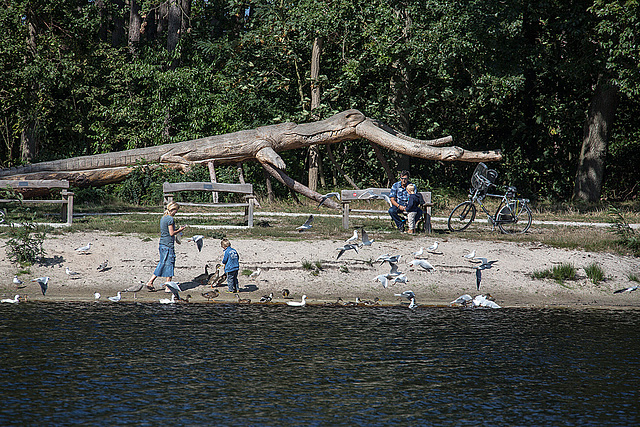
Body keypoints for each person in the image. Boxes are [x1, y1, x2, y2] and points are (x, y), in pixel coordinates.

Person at [146, 201, 187, 291]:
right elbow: (171, 233)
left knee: (163, 263)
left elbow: (168, 231)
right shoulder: (170, 219)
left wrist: (177, 231)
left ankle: (152, 281)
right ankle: (167, 286)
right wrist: (180, 230)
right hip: (168, 245)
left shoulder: (163, 218)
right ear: (173, 209)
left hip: (162, 244)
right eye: (176, 210)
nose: (176, 212)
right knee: (169, 264)